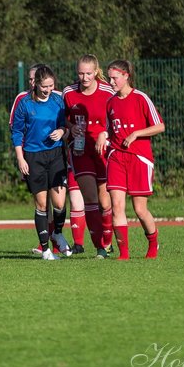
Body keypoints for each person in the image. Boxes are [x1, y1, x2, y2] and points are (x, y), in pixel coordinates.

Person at [101, 59, 165, 259]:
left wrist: (136, 133)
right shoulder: (110, 102)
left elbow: (159, 126)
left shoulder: (140, 98)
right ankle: (124, 254)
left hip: (139, 158)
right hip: (116, 158)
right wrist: (104, 137)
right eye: (109, 78)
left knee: (139, 209)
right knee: (117, 205)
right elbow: (110, 130)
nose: (111, 82)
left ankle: (153, 245)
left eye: (115, 78)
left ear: (126, 76)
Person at [10, 64, 70, 260]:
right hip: (33, 156)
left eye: (51, 86)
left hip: (55, 155)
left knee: (60, 203)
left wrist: (61, 131)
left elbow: (64, 125)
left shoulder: (58, 102)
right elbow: (17, 133)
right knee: (42, 204)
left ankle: (58, 233)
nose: (48, 90)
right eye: (45, 86)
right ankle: (45, 250)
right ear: (36, 84)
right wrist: (20, 158)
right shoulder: (25, 104)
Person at [63, 55, 116, 258]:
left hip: (102, 150)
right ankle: (99, 247)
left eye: (88, 73)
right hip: (79, 150)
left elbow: (116, 118)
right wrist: (71, 127)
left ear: (95, 72)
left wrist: (105, 133)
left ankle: (108, 241)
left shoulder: (107, 91)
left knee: (105, 202)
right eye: (80, 73)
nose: (84, 77)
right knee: (90, 199)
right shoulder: (69, 93)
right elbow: (63, 119)